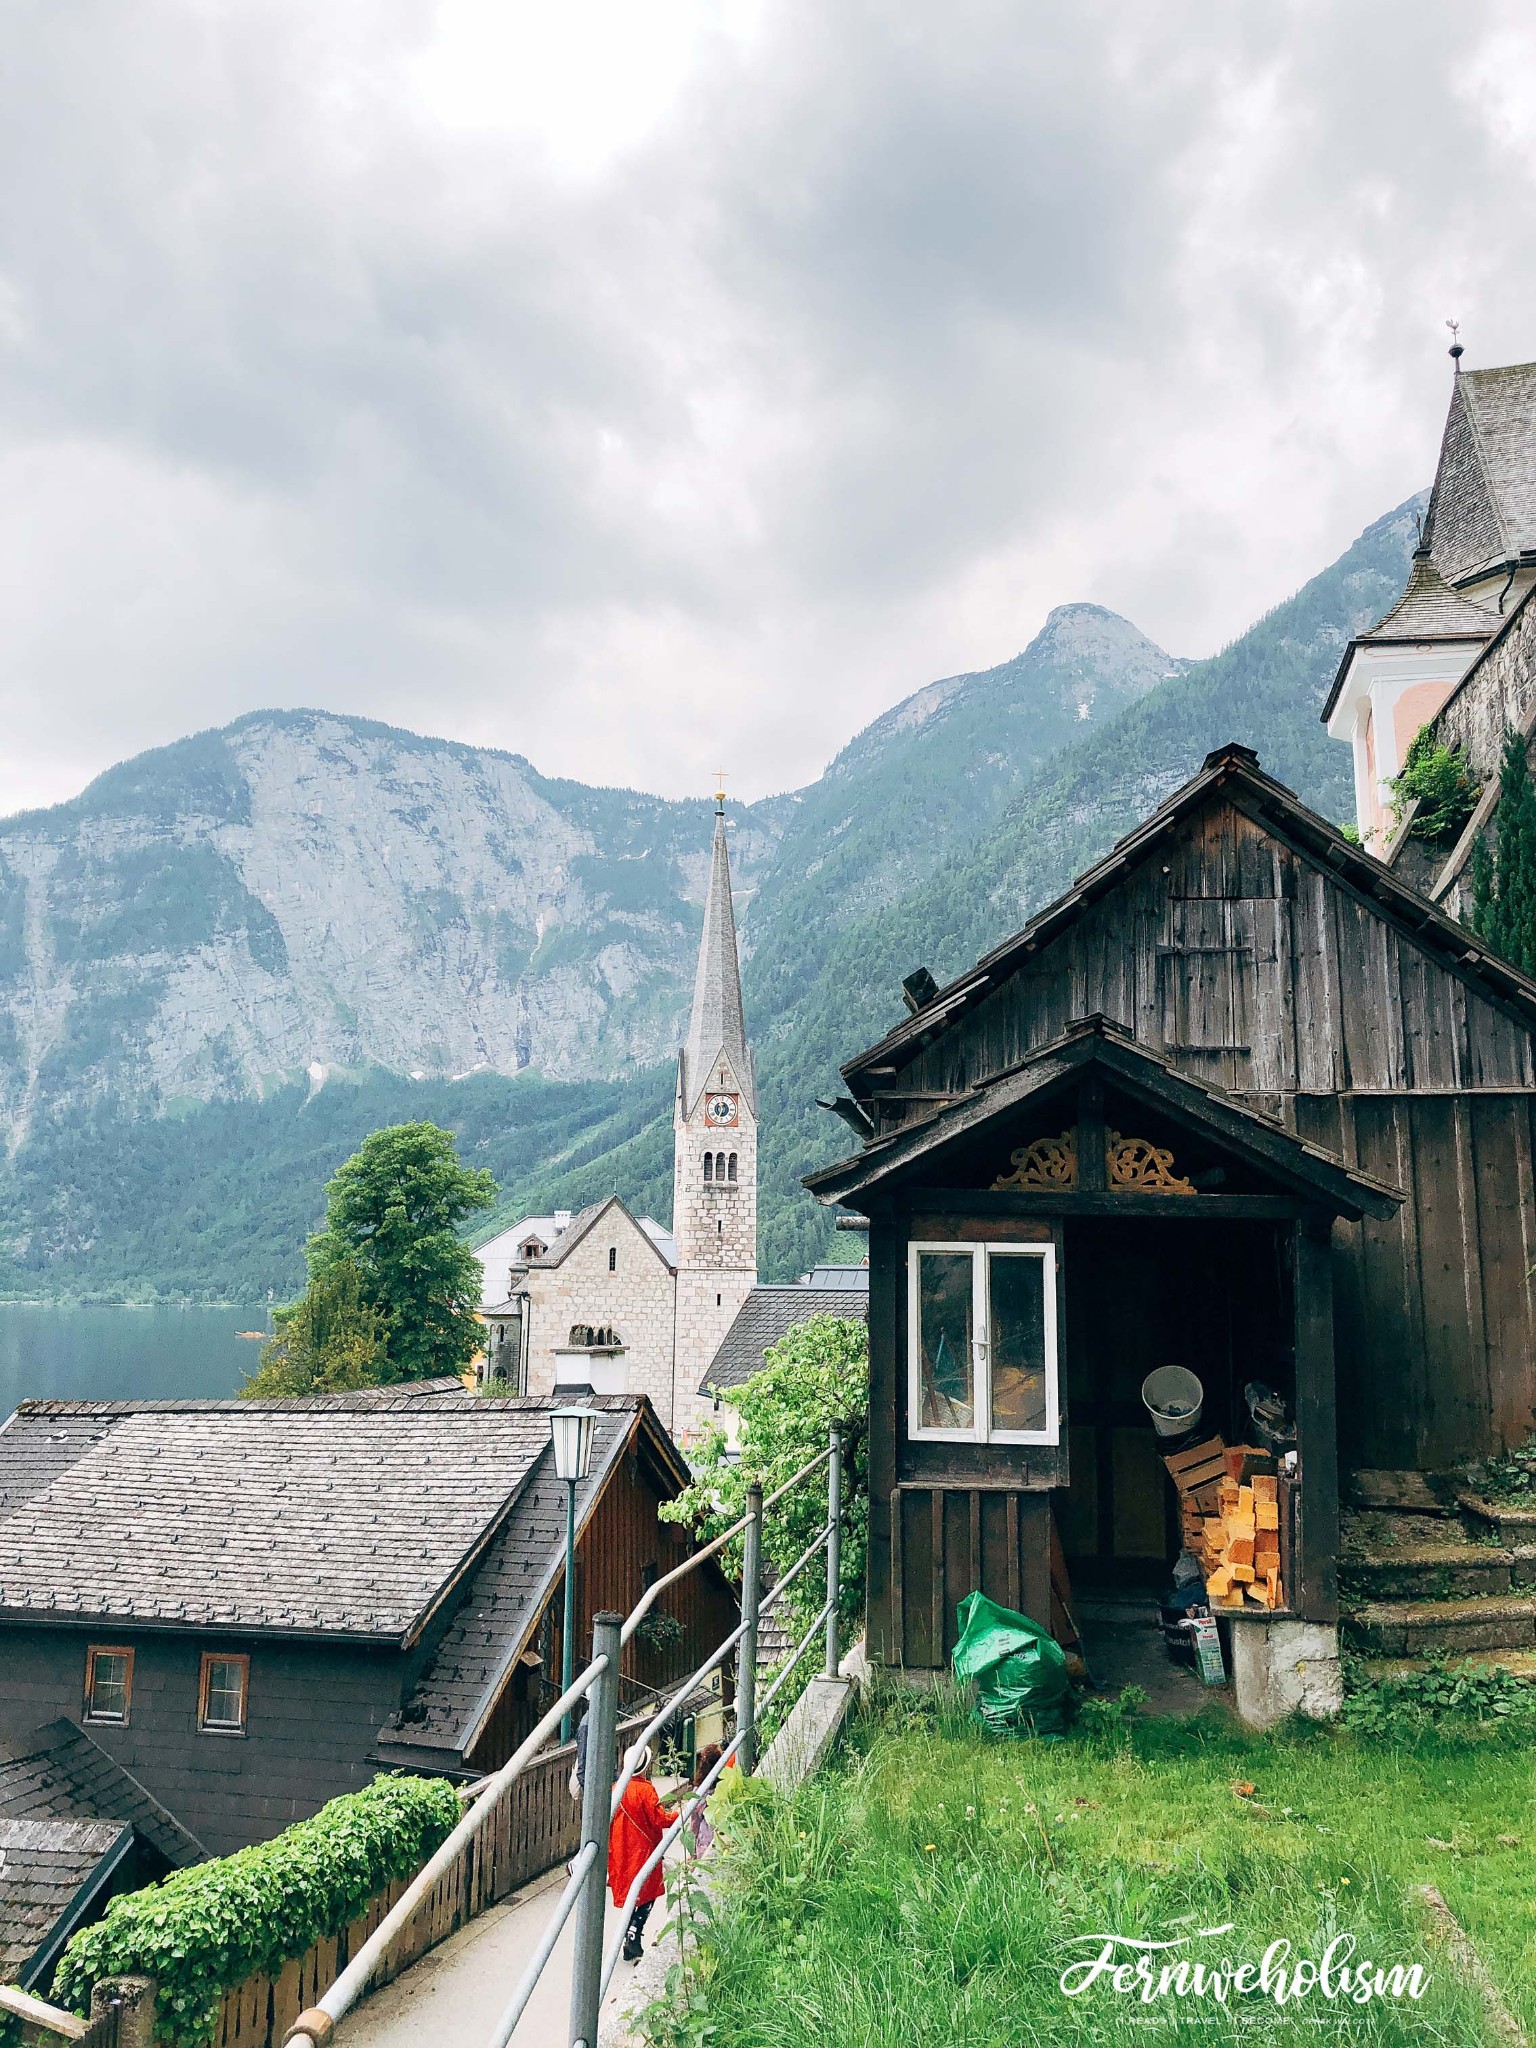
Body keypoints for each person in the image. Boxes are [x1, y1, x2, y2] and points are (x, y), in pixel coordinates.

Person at [607, 1743, 677, 1961]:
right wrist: (678, 1815)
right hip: (643, 1849)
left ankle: (630, 1934)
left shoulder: (616, 1789)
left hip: (620, 1849)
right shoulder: (646, 1790)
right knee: (647, 1892)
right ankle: (634, 1934)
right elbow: (659, 1819)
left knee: (630, 1894)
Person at [686, 1742, 723, 1856]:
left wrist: (692, 1852)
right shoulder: (725, 1786)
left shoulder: (699, 1791)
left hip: (704, 1838)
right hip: (721, 1835)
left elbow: (694, 1822)